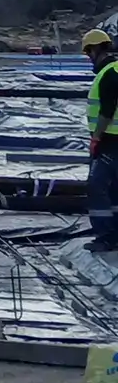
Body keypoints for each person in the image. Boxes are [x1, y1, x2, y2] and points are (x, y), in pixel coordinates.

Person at [85, 29, 118, 250]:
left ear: (95, 50)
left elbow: (107, 109)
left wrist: (96, 138)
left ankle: (106, 236)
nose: (89, 58)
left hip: (110, 141)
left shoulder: (109, 73)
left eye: (88, 53)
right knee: (114, 188)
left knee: (97, 187)